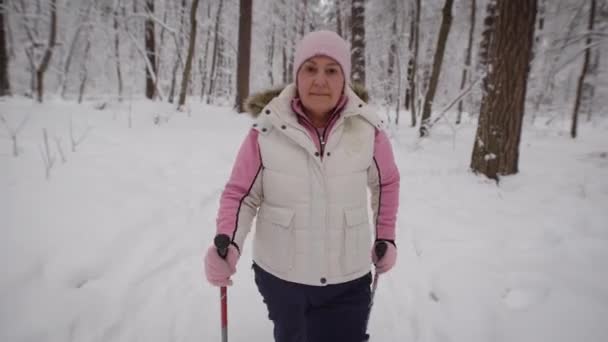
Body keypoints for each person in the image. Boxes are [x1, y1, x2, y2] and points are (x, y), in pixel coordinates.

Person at [204, 30, 400, 342]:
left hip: (348, 277)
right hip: (282, 277)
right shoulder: (266, 130)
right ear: (297, 75)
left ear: (345, 78)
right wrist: (228, 243)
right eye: (310, 68)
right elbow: (241, 194)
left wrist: (386, 237)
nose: (320, 80)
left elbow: (386, 182)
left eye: (331, 70)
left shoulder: (367, 130)